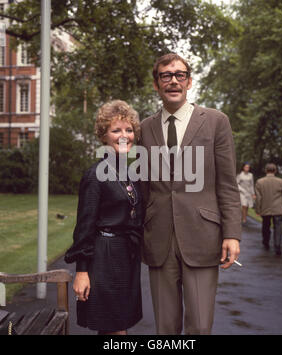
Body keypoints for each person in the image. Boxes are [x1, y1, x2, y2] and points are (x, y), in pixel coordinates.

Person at [140, 53, 242, 335]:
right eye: (166, 75)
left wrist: (232, 234)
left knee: (199, 325)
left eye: (179, 75)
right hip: (159, 238)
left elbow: (227, 183)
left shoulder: (215, 121)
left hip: (202, 237)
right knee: (165, 328)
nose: (173, 81)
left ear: (189, 81)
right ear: (156, 84)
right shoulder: (145, 128)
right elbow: (143, 186)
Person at [64, 100, 143, 335]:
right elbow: (84, 227)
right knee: (112, 328)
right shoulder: (95, 175)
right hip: (104, 258)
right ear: (104, 136)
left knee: (119, 326)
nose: (124, 135)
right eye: (116, 130)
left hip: (124, 257)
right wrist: (81, 272)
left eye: (128, 130)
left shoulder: (128, 173)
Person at [255, 163, 282, 256]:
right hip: (277, 208)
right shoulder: (281, 181)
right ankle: (277, 245)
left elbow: (258, 198)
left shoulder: (260, 182)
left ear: (266, 170)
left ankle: (266, 242)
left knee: (266, 226)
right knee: (278, 227)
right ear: (275, 171)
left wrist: (258, 210)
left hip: (265, 208)